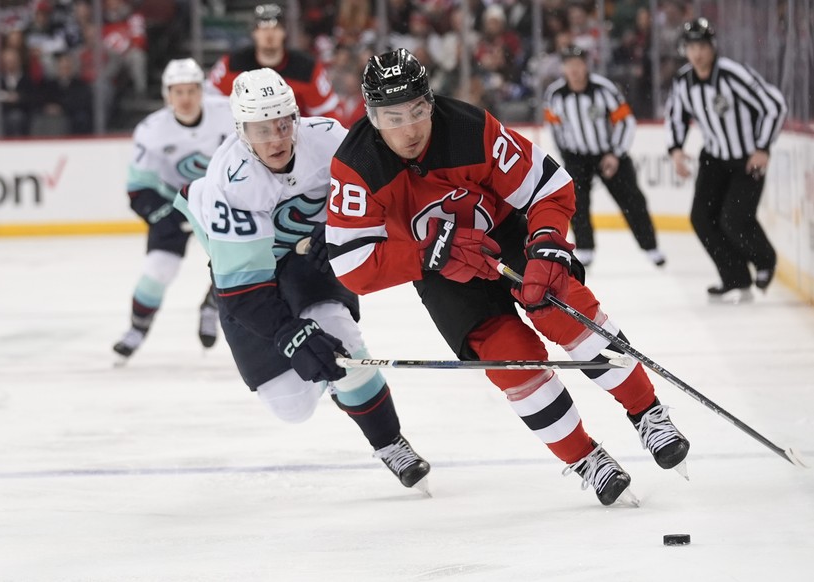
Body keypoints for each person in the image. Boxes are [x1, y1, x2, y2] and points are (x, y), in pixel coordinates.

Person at [325, 48, 690, 506]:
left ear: (430, 101)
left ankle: (648, 413)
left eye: (418, 110)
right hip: (439, 273)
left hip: (504, 237)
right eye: (392, 116)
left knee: (566, 310)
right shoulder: (356, 166)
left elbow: (549, 186)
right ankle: (585, 458)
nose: (410, 128)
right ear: (371, 116)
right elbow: (351, 266)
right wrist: (426, 252)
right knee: (511, 360)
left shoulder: (470, 129)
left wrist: (546, 246)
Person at [172, 68, 431, 492]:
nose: (275, 139)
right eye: (260, 129)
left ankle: (390, 444)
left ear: (295, 117)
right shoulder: (229, 182)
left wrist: (344, 228)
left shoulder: (329, 137)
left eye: (282, 123)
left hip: (307, 256)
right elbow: (244, 293)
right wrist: (290, 335)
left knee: (337, 333)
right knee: (291, 405)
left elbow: (383, 194)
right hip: (247, 269)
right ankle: (334, 381)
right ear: (241, 130)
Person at [112, 58, 231, 361]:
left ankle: (212, 306)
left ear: (202, 90)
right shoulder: (151, 130)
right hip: (173, 203)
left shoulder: (229, 113)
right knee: (157, 271)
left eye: (192, 90)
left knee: (233, 265)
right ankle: (137, 329)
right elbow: (137, 188)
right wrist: (162, 215)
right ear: (167, 94)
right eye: (178, 91)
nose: (186, 98)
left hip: (222, 200)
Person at [665, 18, 787, 302]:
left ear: (712, 47)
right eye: (692, 47)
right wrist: (676, 150)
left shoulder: (733, 74)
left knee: (734, 218)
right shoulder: (684, 81)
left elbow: (774, 105)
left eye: (702, 46)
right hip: (715, 158)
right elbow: (676, 116)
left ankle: (765, 260)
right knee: (701, 218)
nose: (697, 53)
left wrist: (762, 147)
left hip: (747, 159)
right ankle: (735, 277)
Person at [544, 45, 665, 268]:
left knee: (632, 200)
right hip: (576, 157)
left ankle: (651, 247)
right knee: (576, 204)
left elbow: (626, 121)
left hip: (608, 154)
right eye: (569, 65)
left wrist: (616, 153)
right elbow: (554, 128)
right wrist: (566, 157)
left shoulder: (604, 89)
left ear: (586, 65)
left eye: (578, 64)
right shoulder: (555, 95)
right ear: (563, 68)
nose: (574, 70)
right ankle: (585, 248)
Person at [206, 3, 341, 122]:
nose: (269, 35)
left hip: (294, 143)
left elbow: (328, 115)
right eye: (263, 29)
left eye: (275, 28)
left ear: (284, 32)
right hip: (244, 142)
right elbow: (210, 103)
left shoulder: (307, 68)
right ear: (254, 33)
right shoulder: (231, 64)